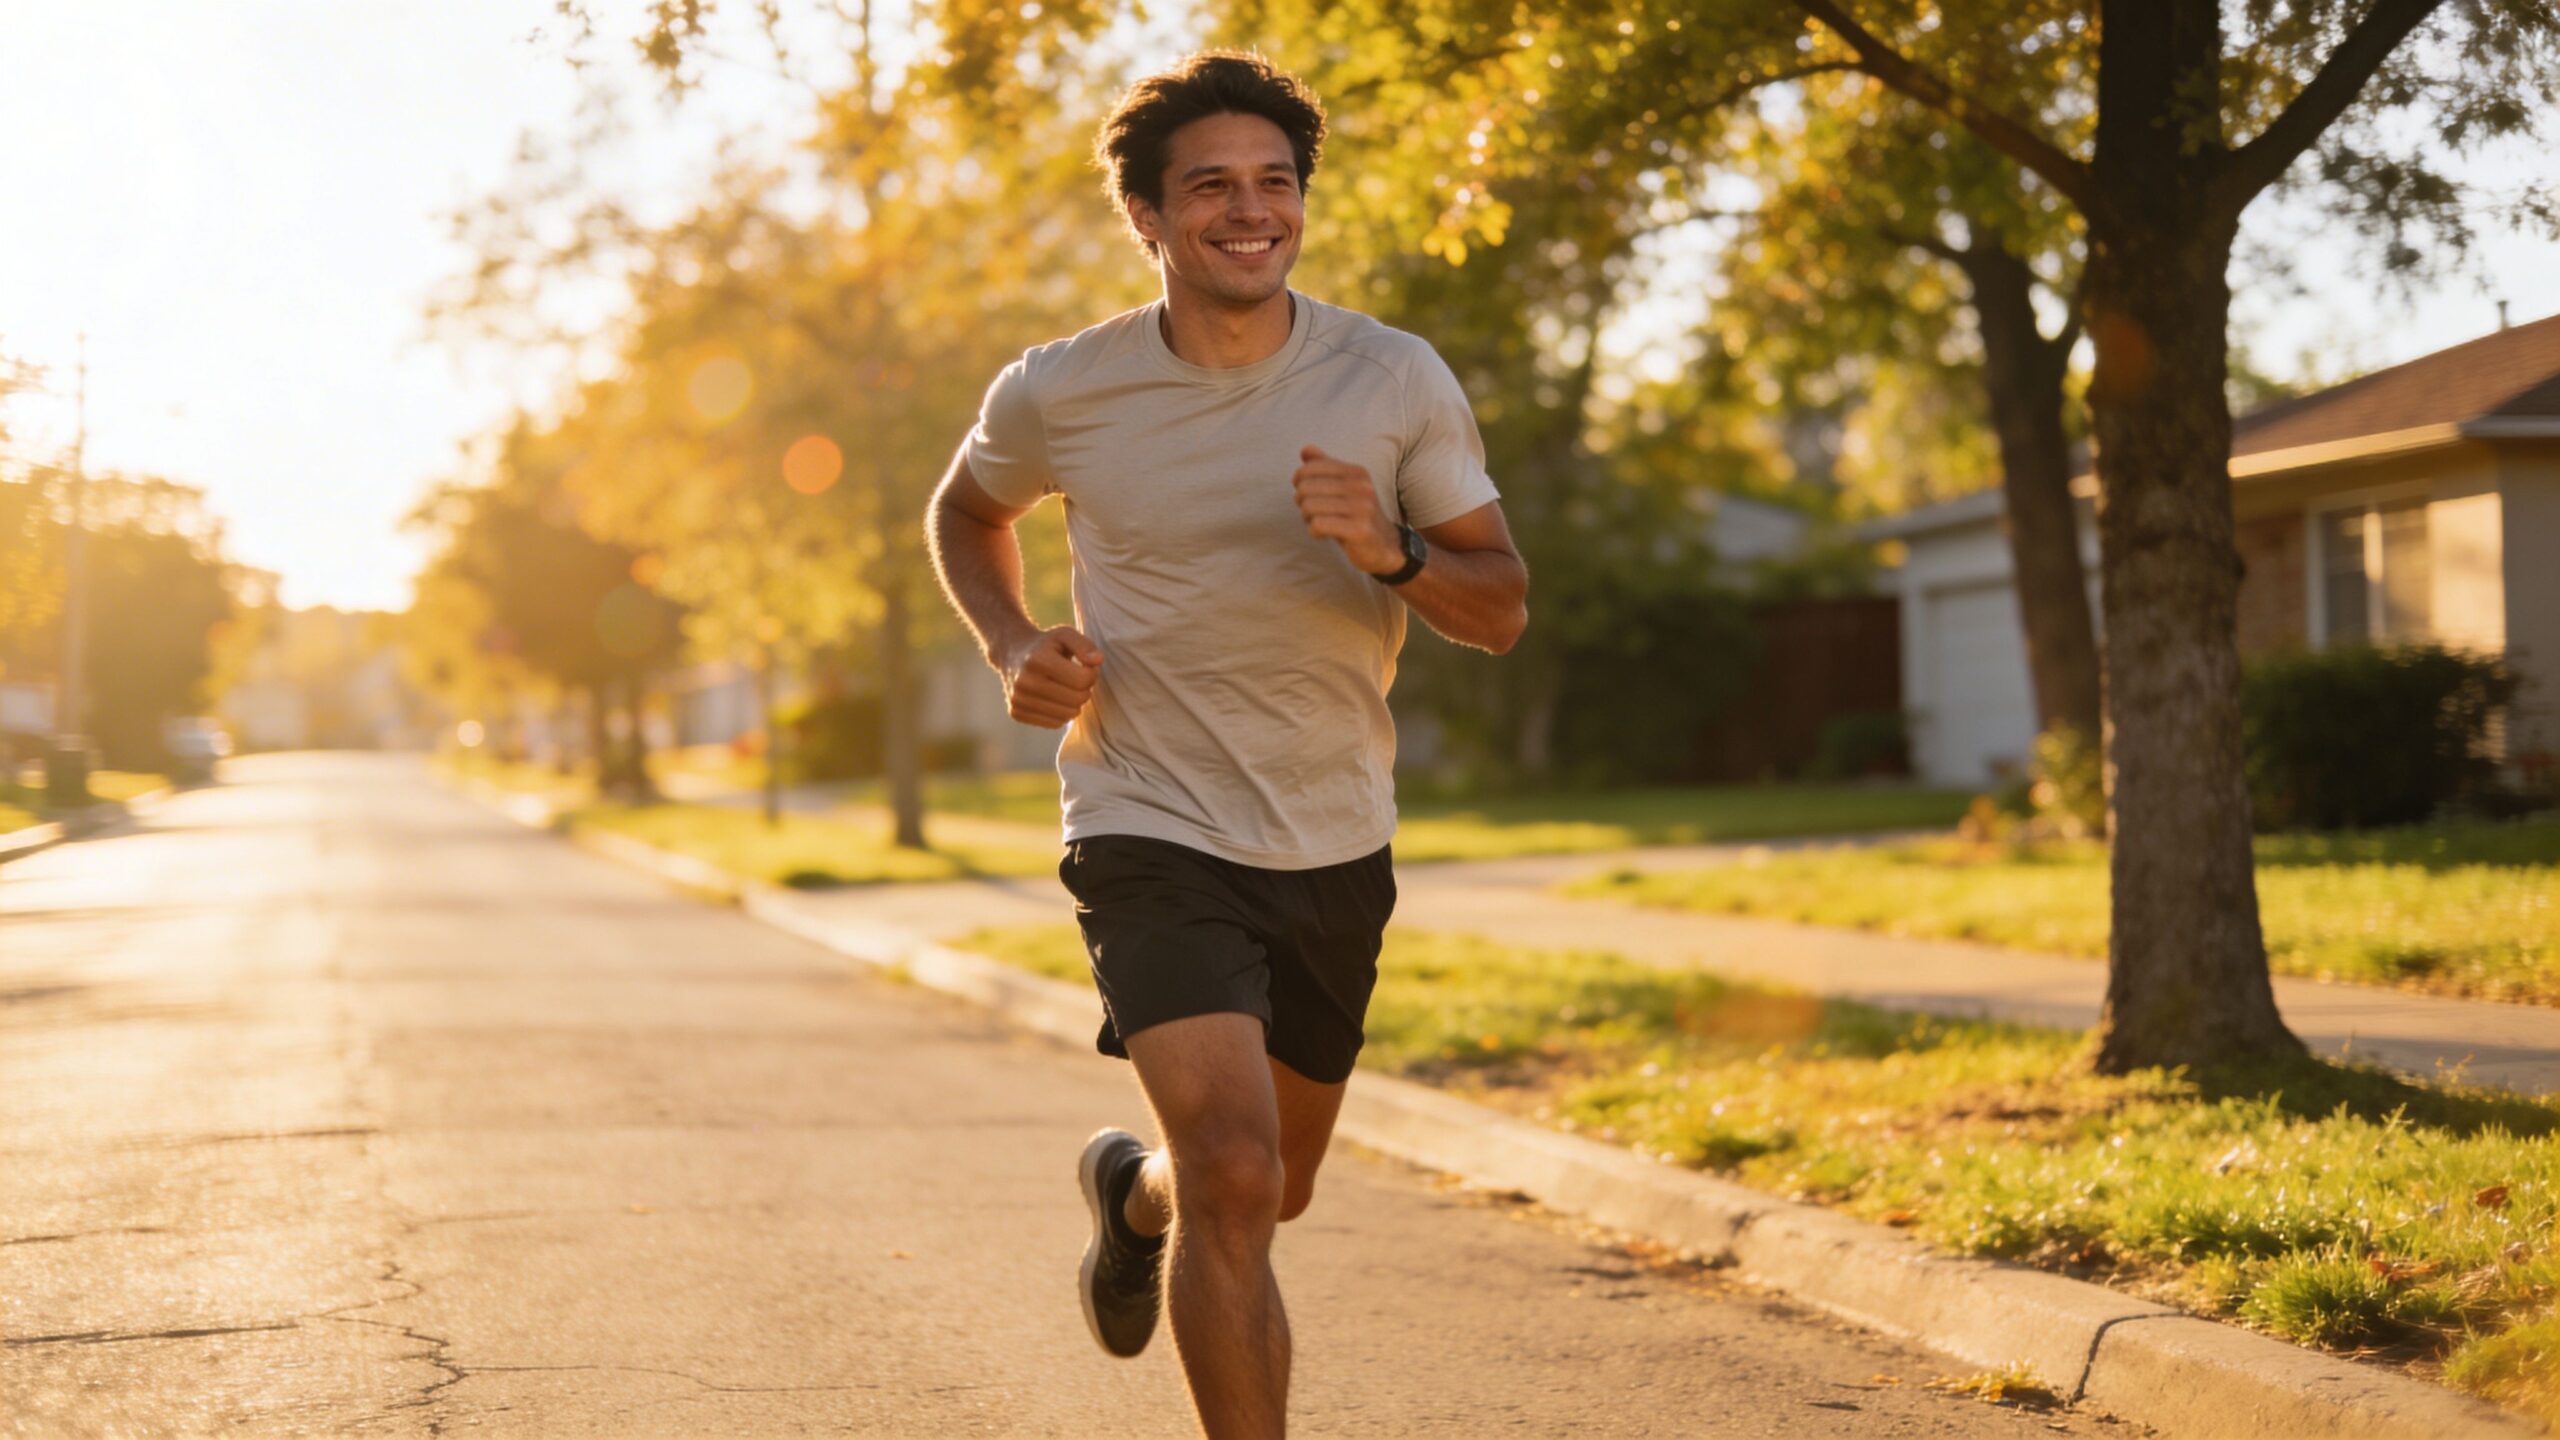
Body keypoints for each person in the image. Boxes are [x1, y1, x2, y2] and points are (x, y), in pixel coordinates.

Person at [925, 49, 1528, 1439]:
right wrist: (1016, 646)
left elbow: (1497, 610)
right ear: (1147, 216)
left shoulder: (1392, 378)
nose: (1249, 211)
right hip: (1145, 813)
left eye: (1275, 183)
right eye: (1211, 187)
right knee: (1242, 1177)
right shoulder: (1062, 389)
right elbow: (967, 513)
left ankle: (1133, 1200)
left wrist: (1392, 550)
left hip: (1332, 831)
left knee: (1264, 1187)